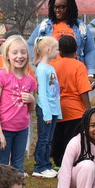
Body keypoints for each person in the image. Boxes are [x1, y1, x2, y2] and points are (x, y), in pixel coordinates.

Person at [0, 35, 37, 188]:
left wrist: (32, 100)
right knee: (0, 168)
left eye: (23, 52)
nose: (19, 56)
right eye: (15, 52)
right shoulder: (1, 76)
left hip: (21, 130)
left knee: (18, 168)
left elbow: (29, 110)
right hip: (4, 130)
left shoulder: (29, 80)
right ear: (7, 55)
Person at [27, 0, 95, 89]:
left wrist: (90, 74)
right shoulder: (45, 26)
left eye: (61, 7)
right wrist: (39, 63)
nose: (57, 10)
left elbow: (90, 50)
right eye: (55, 7)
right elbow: (31, 44)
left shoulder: (81, 27)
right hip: (51, 77)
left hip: (75, 76)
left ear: (70, 7)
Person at [50, 35, 92, 168]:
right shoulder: (79, 66)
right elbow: (83, 89)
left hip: (57, 108)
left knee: (58, 137)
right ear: (76, 49)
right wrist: (88, 109)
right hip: (75, 111)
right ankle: (69, 164)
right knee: (72, 140)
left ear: (60, 51)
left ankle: (58, 163)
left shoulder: (54, 65)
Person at [31, 36, 61, 178]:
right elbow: (42, 93)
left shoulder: (50, 67)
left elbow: (55, 92)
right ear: (48, 50)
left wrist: (57, 112)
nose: (58, 51)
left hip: (53, 109)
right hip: (45, 110)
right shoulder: (42, 69)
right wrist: (47, 113)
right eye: (56, 49)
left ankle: (46, 165)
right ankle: (39, 167)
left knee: (49, 139)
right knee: (43, 139)